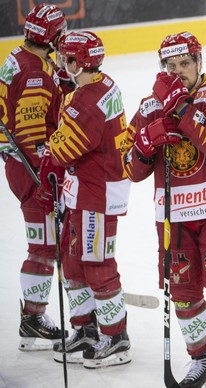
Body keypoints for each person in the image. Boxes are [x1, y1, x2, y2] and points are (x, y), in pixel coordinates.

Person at [123, 31, 206, 387]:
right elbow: (129, 169)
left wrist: (179, 106)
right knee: (183, 294)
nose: (179, 72)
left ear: (199, 62)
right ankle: (200, 359)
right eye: (171, 66)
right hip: (174, 217)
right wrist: (146, 144)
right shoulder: (149, 105)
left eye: (185, 64)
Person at [37, 30, 132, 369]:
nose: (62, 63)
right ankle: (86, 328)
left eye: (67, 58)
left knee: (97, 265)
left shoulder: (88, 100)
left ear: (82, 61)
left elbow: (64, 148)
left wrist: (48, 153)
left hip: (98, 194)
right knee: (73, 261)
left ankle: (116, 336)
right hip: (85, 191)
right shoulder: (97, 86)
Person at [0, 3, 68, 351]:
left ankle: (33, 315)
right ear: (52, 35)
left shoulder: (21, 57)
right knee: (44, 246)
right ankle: (33, 319)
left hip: (21, 163)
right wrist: (47, 176)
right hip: (31, 168)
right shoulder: (36, 75)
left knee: (47, 243)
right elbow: (30, 137)